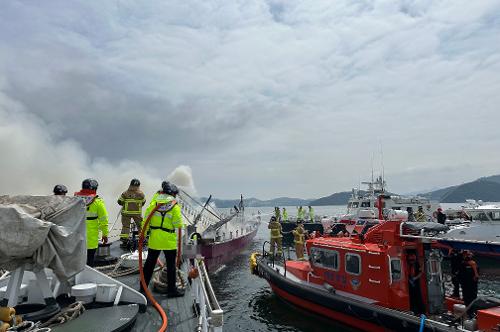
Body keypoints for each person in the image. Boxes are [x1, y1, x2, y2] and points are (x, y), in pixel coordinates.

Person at [141, 181, 185, 297]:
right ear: (173, 194)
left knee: (149, 264)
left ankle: (143, 287)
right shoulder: (174, 207)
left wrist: (144, 235)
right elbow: (178, 226)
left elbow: (145, 222)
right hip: (169, 241)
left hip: (154, 240)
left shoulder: (153, 205)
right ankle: (171, 290)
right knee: (171, 265)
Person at [74, 179, 108, 267]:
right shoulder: (97, 202)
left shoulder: (75, 199)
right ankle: (88, 277)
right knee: (90, 260)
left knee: (77, 260)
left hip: (77, 236)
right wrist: (105, 234)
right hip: (91, 238)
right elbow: (104, 220)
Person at [117, 179, 146, 247]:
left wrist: (125, 203)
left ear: (130, 184)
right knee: (140, 226)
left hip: (126, 213)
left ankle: (125, 240)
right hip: (137, 213)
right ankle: (142, 239)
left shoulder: (125, 193)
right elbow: (143, 202)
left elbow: (119, 202)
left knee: (126, 226)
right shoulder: (141, 194)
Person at [460, 250, 479, 316]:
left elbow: (476, 275)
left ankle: (471, 312)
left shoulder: (472, 264)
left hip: (470, 286)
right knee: (468, 298)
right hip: (467, 285)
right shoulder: (463, 264)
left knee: (471, 298)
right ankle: (470, 312)